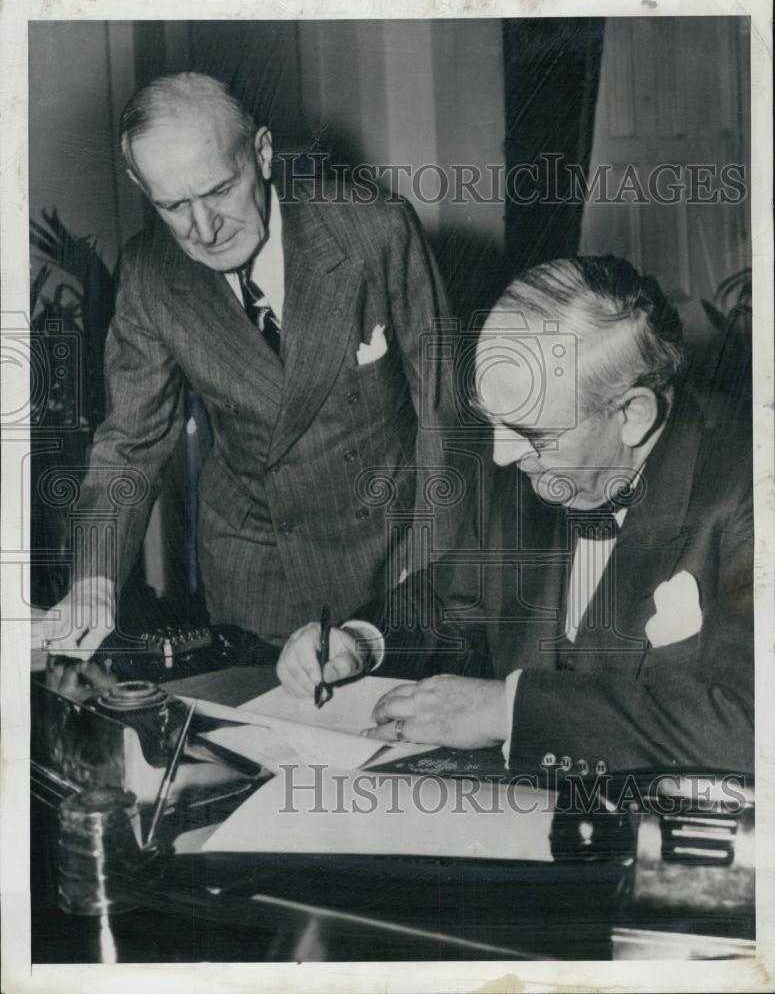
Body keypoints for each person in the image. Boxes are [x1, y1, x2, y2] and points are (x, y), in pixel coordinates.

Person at [43, 72, 466, 667]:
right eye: (173, 205)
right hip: (257, 567)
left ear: (262, 154)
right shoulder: (150, 276)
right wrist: (94, 581)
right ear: (142, 186)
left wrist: (433, 567)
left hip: (392, 550)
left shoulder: (373, 229)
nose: (204, 228)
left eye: (218, 191)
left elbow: (443, 411)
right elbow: (131, 442)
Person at [277, 256, 754, 775]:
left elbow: (752, 726)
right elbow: (453, 596)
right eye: (492, 419)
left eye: (529, 434)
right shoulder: (527, 453)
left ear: (632, 415)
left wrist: (506, 708)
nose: (500, 454)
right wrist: (360, 642)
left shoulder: (753, 485)